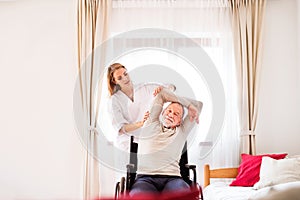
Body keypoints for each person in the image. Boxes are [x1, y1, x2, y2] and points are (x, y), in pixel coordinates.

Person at [129, 87, 203, 196]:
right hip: (145, 178)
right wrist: (168, 94)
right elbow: (162, 95)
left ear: (180, 122)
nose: (171, 115)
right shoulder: (151, 121)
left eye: (176, 114)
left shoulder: (181, 131)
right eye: (169, 111)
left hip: (173, 179)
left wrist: (190, 106)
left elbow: (199, 105)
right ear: (162, 112)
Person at [107, 63, 175, 151]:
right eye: (119, 78)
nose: (125, 78)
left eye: (125, 74)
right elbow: (121, 128)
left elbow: (171, 87)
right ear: (114, 81)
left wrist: (164, 89)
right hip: (127, 144)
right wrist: (141, 123)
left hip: (148, 142)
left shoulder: (144, 88)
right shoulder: (114, 100)